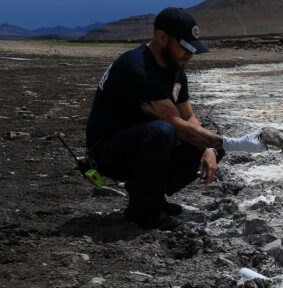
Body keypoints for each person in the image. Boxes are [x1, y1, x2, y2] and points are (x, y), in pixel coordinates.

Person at [86, 7, 266, 230]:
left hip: (140, 144)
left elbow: (188, 116)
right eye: (185, 48)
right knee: (163, 131)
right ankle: (145, 211)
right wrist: (235, 143)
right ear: (162, 37)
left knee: (210, 147)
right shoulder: (136, 66)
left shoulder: (175, 71)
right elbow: (173, 122)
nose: (190, 55)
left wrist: (210, 148)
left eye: (193, 50)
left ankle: (148, 194)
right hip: (107, 151)